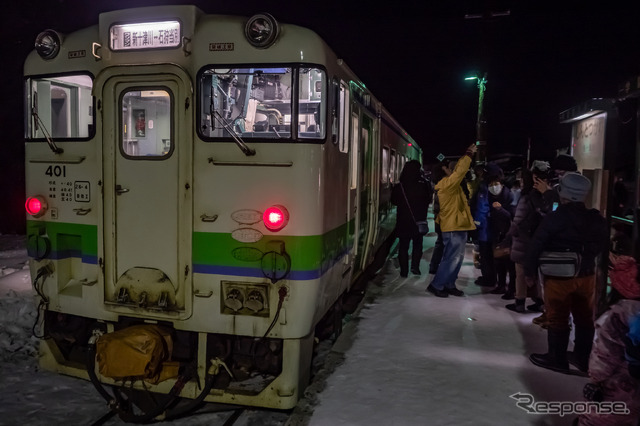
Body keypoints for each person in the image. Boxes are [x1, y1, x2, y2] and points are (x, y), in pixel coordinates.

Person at [524, 172, 609, 374]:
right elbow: (602, 244)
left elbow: (536, 244)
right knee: (584, 317)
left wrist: (530, 273)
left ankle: (557, 358)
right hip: (587, 275)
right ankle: (582, 358)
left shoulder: (555, 218)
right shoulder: (595, 218)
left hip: (558, 276)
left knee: (558, 316)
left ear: (564, 193)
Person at [575, 252, 640, 426]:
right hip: (635, 387)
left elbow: (605, 355)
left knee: (599, 418)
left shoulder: (617, 316)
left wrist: (596, 380)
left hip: (616, 386)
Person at [426, 144, 477, 298]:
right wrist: (468, 154)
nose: (451, 171)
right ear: (443, 173)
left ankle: (449, 284)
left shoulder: (451, 186)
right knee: (451, 258)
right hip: (453, 227)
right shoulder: (447, 185)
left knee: (457, 258)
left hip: (459, 225)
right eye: (448, 169)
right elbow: (460, 172)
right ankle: (437, 285)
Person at [504, 161, 550, 313]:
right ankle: (539, 301)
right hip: (539, 241)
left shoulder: (526, 198)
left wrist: (507, 237)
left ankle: (519, 302)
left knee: (521, 273)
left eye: (523, 180)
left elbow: (517, 222)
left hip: (523, 241)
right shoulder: (544, 197)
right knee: (536, 274)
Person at [391, 160, 433, 277]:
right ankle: (415, 268)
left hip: (404, 221)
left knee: (403, 247)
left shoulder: (400, 186)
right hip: (419, 220)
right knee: (417, 245)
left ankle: (404, 271)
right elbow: (428, 199)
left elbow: (394, 202)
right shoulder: (424, 184)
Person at [486, 172, 516, 296]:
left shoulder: (509, 196)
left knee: (510, 263)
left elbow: (512, 216)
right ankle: (501, 285)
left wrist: (500, 209)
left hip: (508, 234)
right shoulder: (489, 197)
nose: (494, 187)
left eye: (496, 184)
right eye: (491, 184)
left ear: (502, 185)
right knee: (498, 261)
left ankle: (512, 289)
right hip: (496, 233)